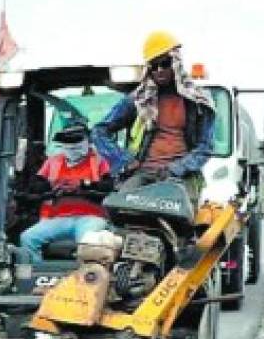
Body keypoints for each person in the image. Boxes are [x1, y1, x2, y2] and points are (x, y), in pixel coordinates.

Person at [91, 31, 215, 208]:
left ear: (176, 62)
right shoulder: (139, 99)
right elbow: (99, 131)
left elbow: (205, 147)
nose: (159, 71)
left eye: (164, 64)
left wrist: (176, 168)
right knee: (117, 208)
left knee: (175, 214)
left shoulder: (198, 101)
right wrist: (123, 160)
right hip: (143, 172)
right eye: (154, 66)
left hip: (180, 175)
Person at [18, 119, 112, 262]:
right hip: (59, 217)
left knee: (88, 243)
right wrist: (54, 186)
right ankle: (38, 274)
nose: (73, 145)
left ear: (87, 140)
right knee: (28, 238)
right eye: (68, 141)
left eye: (77, 140)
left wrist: (82, 185)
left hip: (91, 217)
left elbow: (108, 186)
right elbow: (36, 187)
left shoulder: (99, 161)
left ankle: (86, 279)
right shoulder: (53, 162)